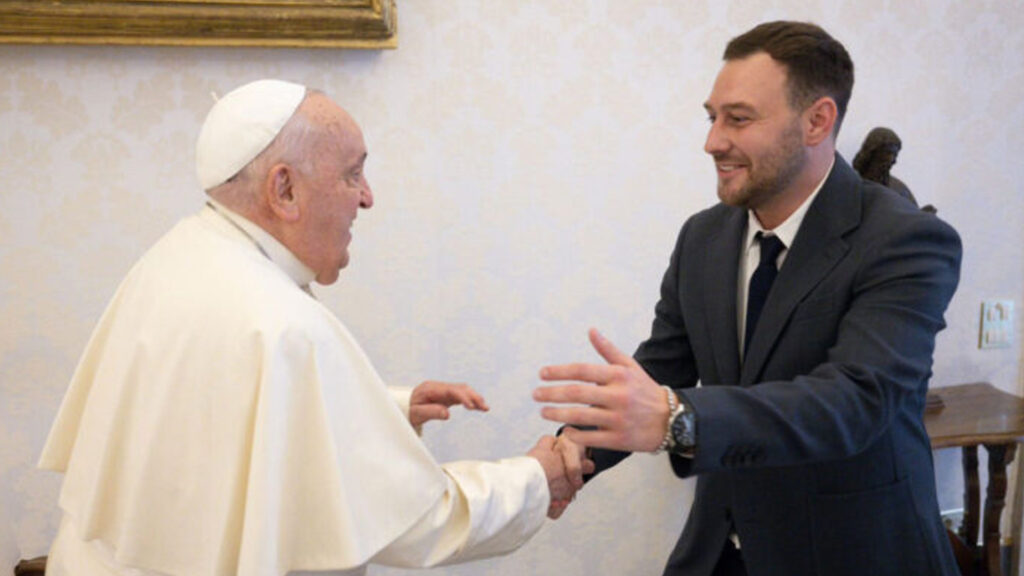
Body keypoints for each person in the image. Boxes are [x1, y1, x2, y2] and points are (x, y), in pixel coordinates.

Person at [39, 79, 587, 576]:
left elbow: (228, 417)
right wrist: (536, 478)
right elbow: (419, 520)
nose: (368, 197)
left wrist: (386, 408)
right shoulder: (281, 323)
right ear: (284, 191)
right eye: (352, 174)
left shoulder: (179, 256)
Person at [534, 21, 962, 576]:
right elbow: (661, 372)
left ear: (817, 120)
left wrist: (677, 418)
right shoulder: (703, 237)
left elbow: (854, 402)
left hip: (857, 553)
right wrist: (567, 454)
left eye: (738, 119)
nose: (712, 141)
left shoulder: (906, 240)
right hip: (720, 552)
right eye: (712, 117)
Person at [852, 126, 918, 205]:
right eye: (889, 153)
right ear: (873, 151)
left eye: (895, 155)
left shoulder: (899, 189)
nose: (893, 161)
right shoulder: (851, 183)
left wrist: (924, 214)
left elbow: (912, 212)